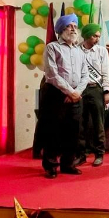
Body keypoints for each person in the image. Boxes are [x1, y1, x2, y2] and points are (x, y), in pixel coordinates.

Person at [40, 14, 88, 178]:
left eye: (75, 26)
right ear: (61, 29)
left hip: (76, 96)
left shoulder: (79, 51)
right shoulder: (52, 48)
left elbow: (85, 75)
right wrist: (70, 92)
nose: (73, 29)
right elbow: (52, 74)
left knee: (73, 131)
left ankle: (68, 164)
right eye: (69, 26)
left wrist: (77, 93)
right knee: (53, 131)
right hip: (56, 95)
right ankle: (51, 166)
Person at [76, 23, 109, 167]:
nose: (97, 39)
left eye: (98, 36)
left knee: (98, 123)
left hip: (96, 89)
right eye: (94, 36)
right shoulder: (76, 50)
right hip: (80, 89)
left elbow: (105, 72)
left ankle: (99, 153)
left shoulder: (102, 51)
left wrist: (106, 91)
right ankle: (81, 154)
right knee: (80, 124)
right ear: (86, 35)